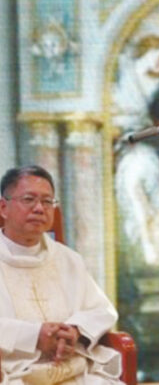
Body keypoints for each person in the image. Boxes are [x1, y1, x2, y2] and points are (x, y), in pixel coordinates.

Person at [0, 165, 123, 384]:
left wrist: (75, 331)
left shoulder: (68, 259)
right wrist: (33, 336)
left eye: (47, 201)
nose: (39, 208)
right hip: (13, 374)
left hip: (73, 371)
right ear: (3, 207)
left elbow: (101, 310)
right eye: (29, 199)